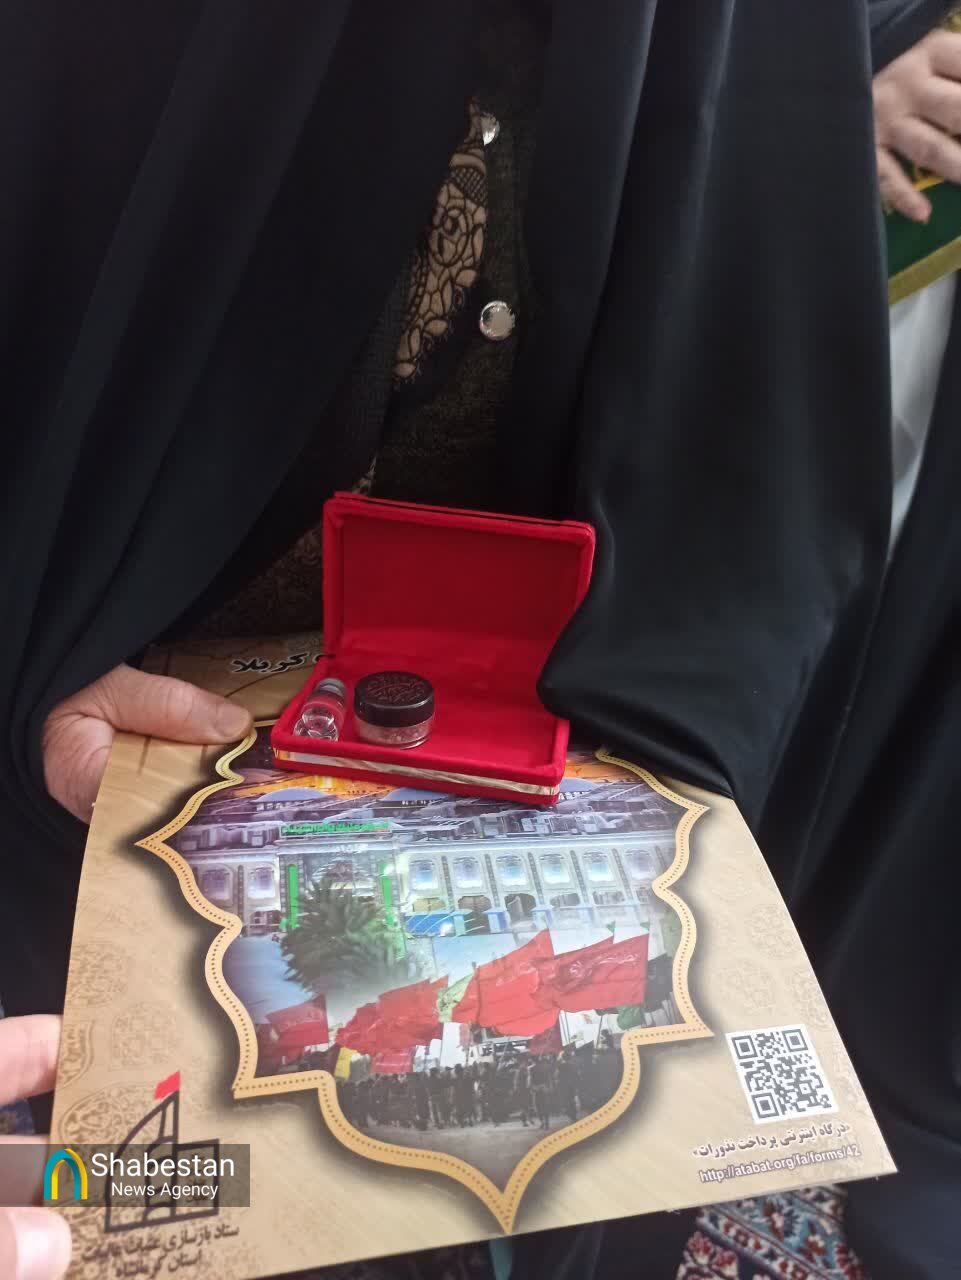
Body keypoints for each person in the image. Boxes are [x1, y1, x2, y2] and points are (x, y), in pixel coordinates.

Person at [0, 3, 950, 1279]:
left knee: (504, 1182)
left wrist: (655, 745)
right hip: (103, 746)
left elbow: (754, 486)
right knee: (117, 1191)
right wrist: (30, 644)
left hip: (566, 755)